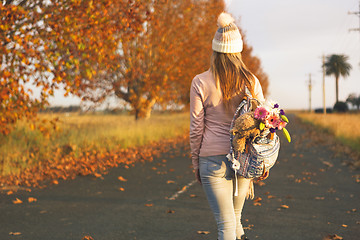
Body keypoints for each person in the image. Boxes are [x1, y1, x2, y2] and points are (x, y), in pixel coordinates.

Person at [189, 12, 265, 240]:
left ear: (215, 50)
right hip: (242, 159)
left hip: (211, 160)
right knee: (234, 219)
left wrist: (196, 162)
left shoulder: (200, 82)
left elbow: (196, 128)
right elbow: (262, 127)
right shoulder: (251, 81)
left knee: (226, 224)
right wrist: (257, 164)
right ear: (238, 51)